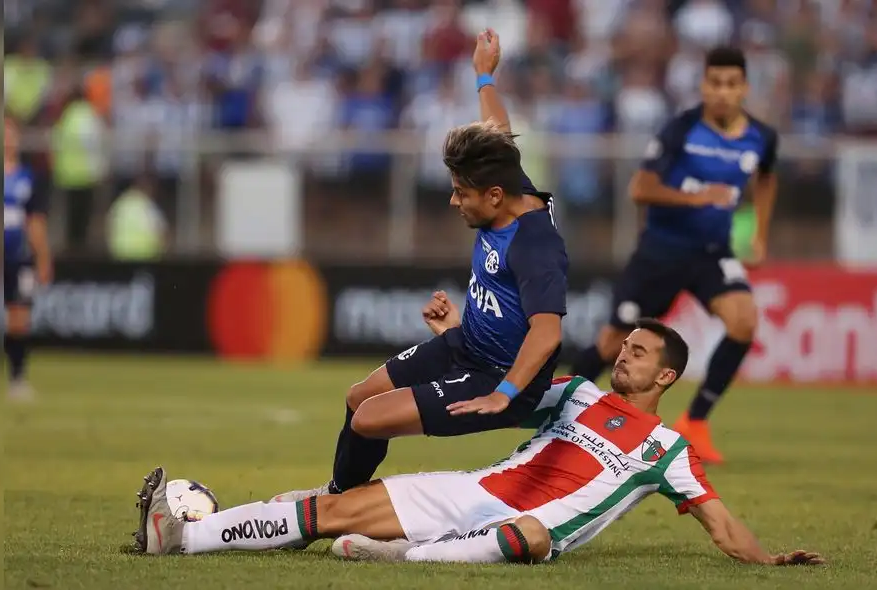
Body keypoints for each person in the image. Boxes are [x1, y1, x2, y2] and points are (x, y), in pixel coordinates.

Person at [133, 319, 823, 568]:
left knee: (531, 537)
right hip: (472, 493)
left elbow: (719, 523)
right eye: (626, 347)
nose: (625, 356)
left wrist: (767, 559)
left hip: (526, 528)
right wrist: (456, 335)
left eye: (640, 353)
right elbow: (503, 388)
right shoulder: (577, 393)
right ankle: (181, 536)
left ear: (666, 377)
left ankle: (408, 555)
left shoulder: (668, 450)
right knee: (331, 511)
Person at [275, 29, 568, 502]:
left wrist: (505, 394)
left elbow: (547, 332)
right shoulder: (509, 182)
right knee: (359, 397)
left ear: (494, 195)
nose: (454, 202)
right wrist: (484, 74)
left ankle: (340, 506)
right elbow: (498, 130)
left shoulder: (536, 245)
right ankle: (338, 496)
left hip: (495, 375)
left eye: (461, 193)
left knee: (369, 419)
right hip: (465, 345)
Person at [569, 46, 780, 464]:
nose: (722, 92)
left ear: (744, 88)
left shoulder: (762, 137)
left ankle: (694, 422)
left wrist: (759, 234)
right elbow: (640, 189)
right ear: (703, 86)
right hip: (662, 251)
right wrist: (698, 198)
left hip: (712, 253)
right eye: (715, 83)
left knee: (743, 321)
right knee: (612, 343)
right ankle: (557, 406)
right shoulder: (680, 129)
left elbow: (767, 179)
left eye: (731, 84)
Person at [3, 115, 52, 401]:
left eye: (11, 134)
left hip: (18, 257)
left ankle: (17, 379)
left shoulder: (28, 178)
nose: (6, 139)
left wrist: (43, 258)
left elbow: (35, 222)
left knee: (19, 318)